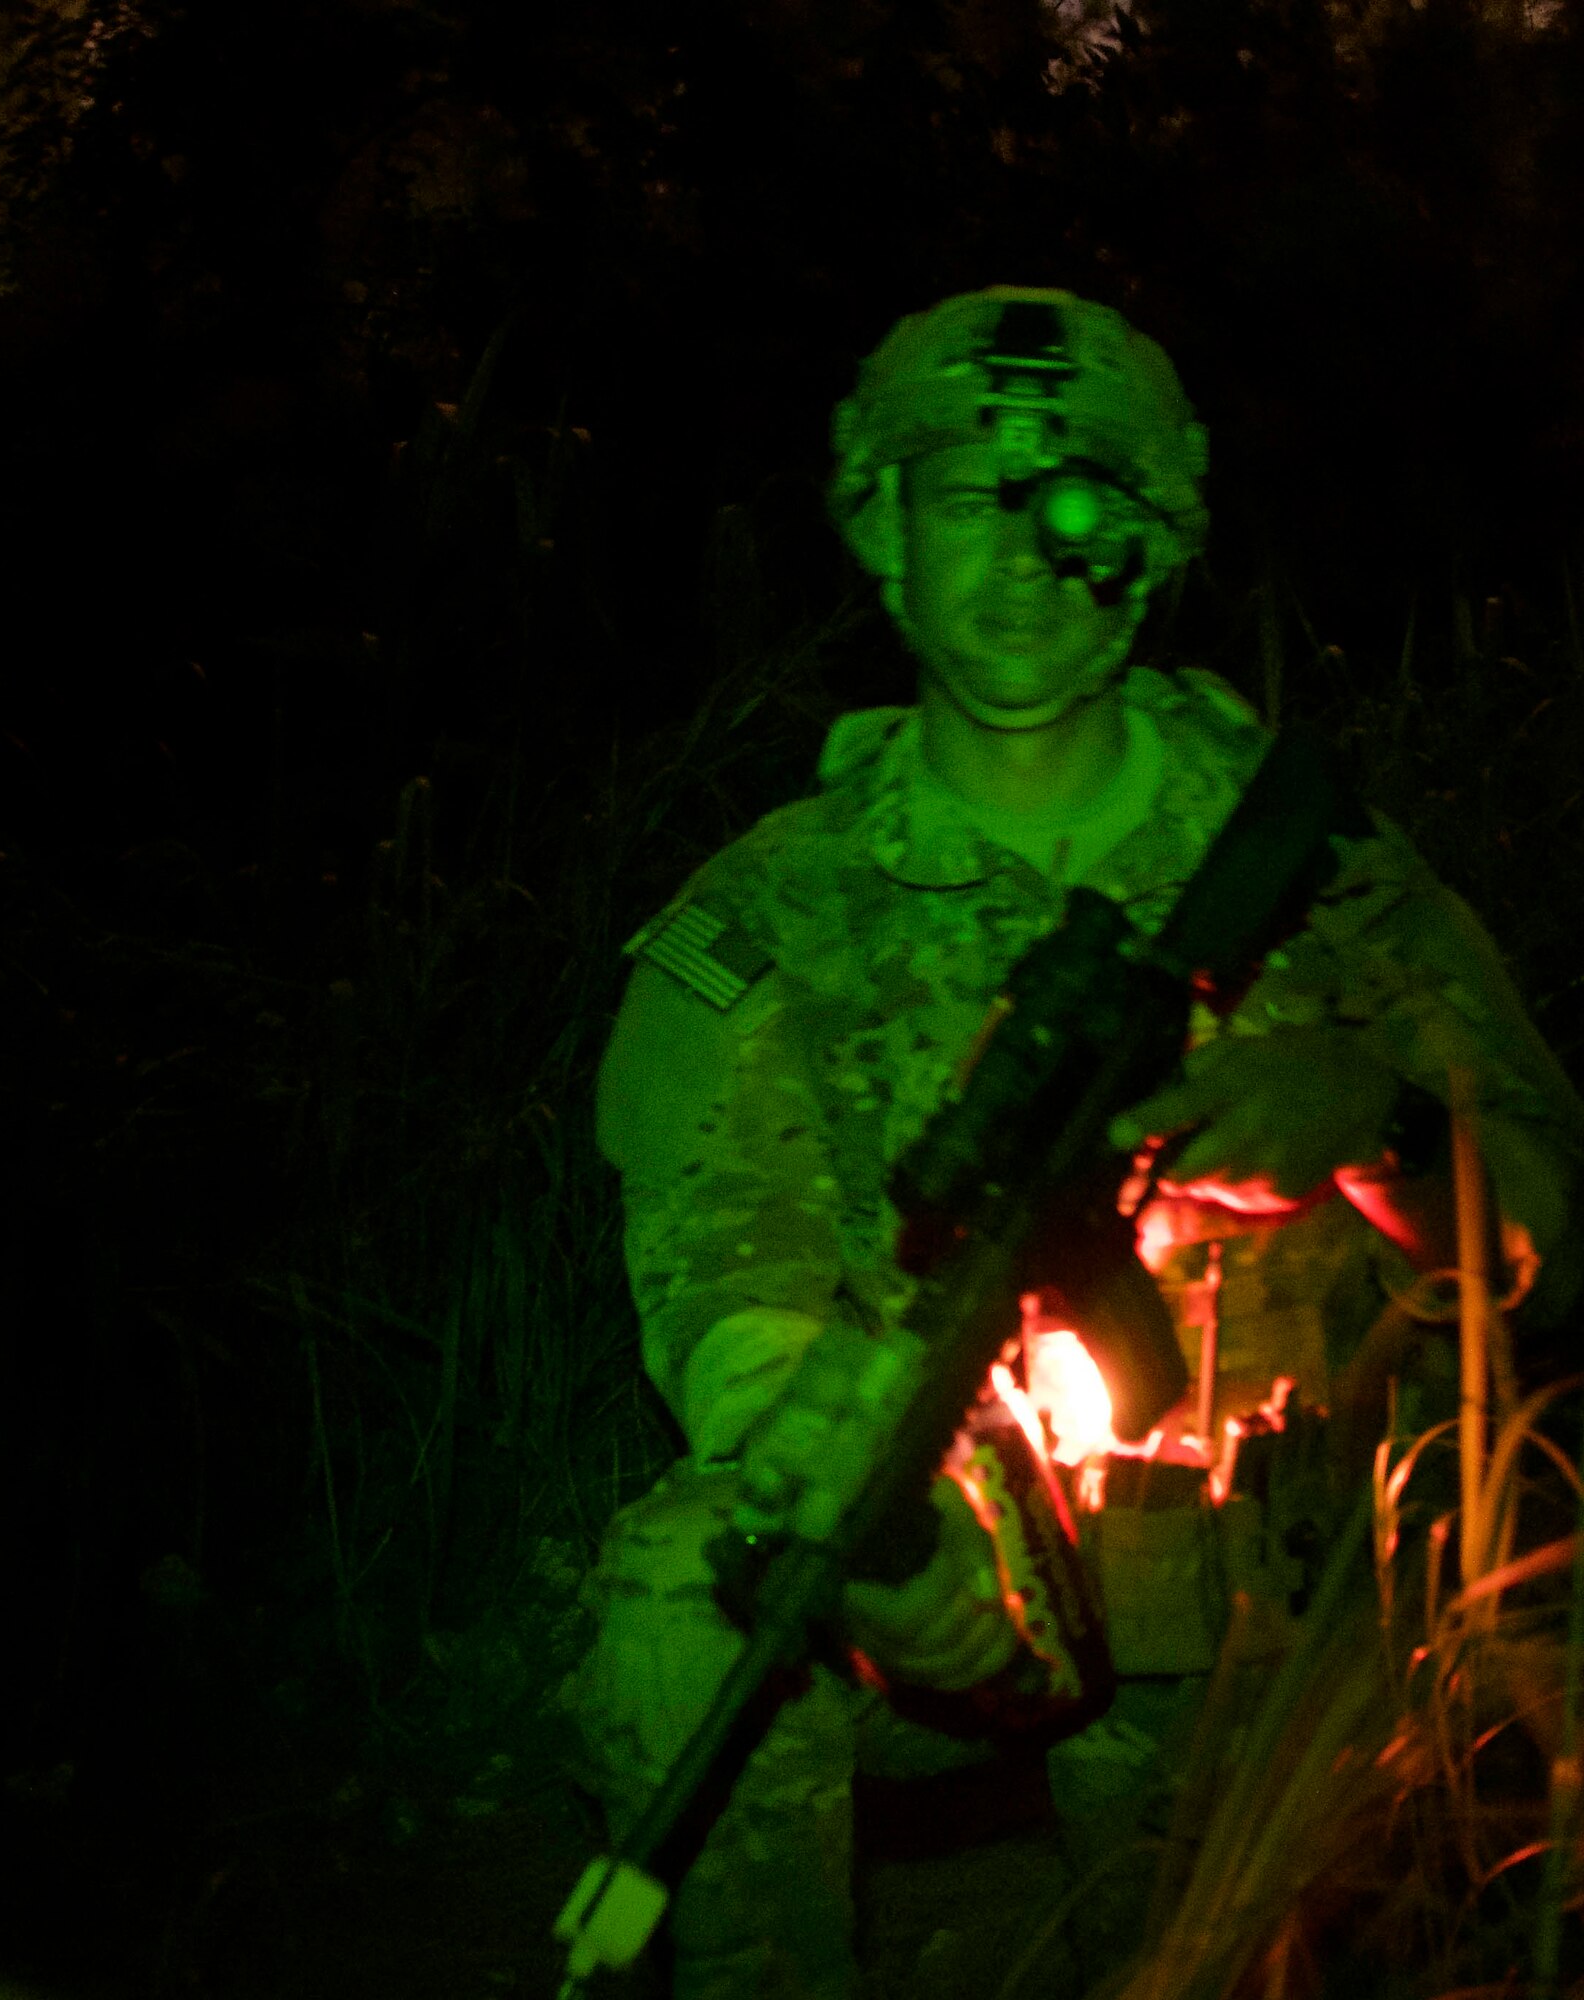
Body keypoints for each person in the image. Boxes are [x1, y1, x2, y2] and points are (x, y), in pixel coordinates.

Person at [558, 286, 1584, 1999]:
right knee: (688, 1601)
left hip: (1289, 1584)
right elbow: (719, 1258)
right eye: (969, 497)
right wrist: (874, 1525)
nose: (1029, 554)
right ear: (882, 533)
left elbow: (1559, 1237)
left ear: (1163, 541)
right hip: (961, 1557)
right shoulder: (766, 913)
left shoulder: (1328, 875)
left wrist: (1380, 1124)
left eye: (1080, 506)